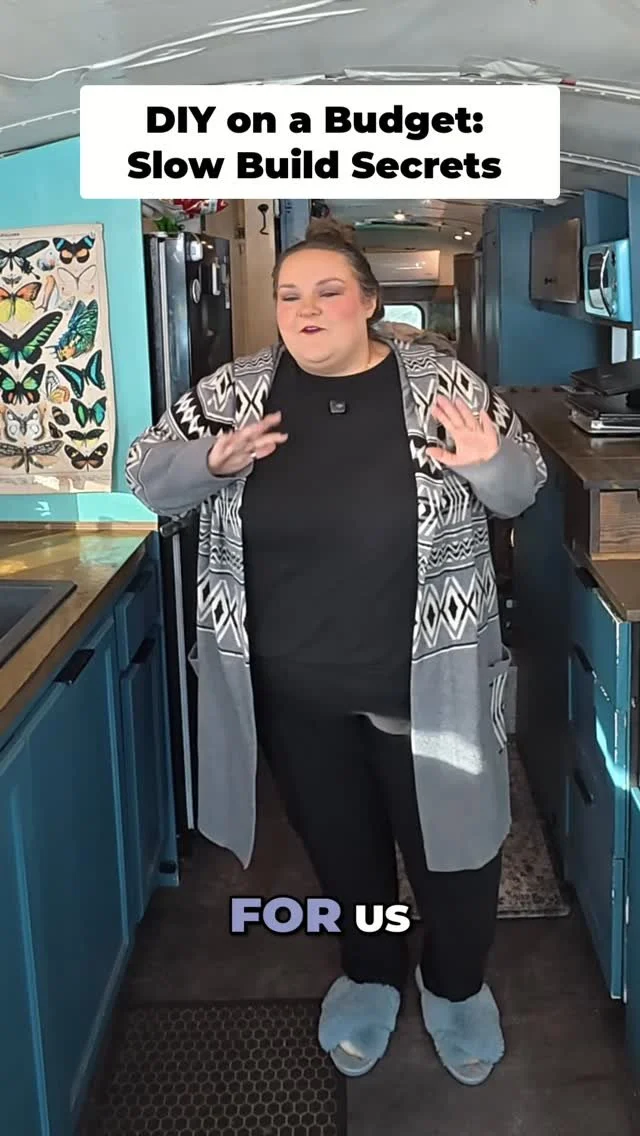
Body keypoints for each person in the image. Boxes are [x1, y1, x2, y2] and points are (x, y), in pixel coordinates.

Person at [125, 219, 547, 1086]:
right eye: (289, 295)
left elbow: (522, 488)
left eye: (327, 292)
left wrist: (487, 463)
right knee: (346, 854)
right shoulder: (238, 391)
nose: (306, 309)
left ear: (370, 303)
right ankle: (372, 973)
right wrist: (211, 461)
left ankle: (456, 985)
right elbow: (146, 475)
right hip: (296, 692)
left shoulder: (440, 384)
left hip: (432, 683)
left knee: (456, 857)